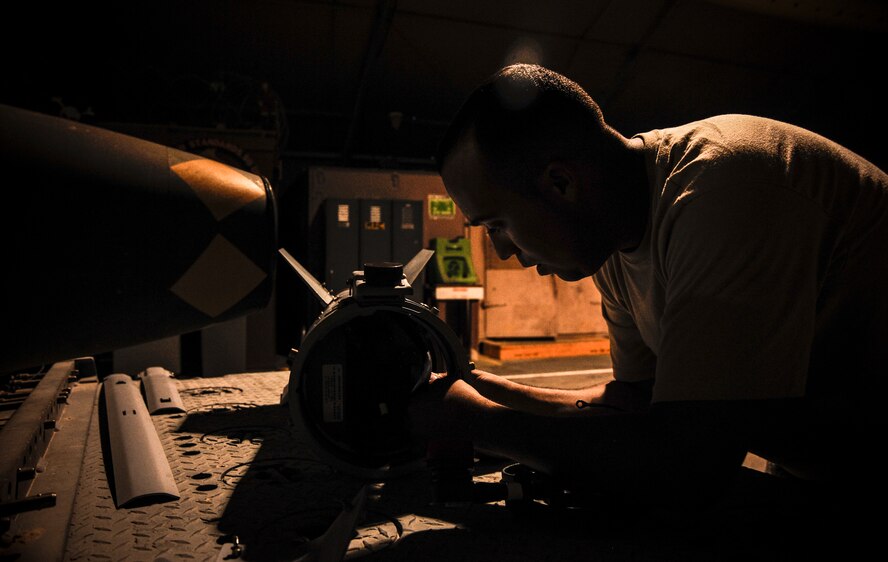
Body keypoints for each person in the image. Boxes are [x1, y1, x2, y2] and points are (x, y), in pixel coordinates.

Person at [408, 63, 888, 509]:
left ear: (561, 183)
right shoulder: (613, 243)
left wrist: (475, 421)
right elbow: (634, 404)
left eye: (496, 225)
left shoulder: (723, 192)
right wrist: (483, 390)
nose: (502, 252)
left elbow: (685, 461)